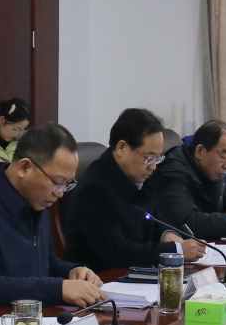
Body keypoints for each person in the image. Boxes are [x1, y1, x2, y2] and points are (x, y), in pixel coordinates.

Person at [0, 122, 104, 315]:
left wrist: (72, 272)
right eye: (58, 182)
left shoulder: (35, 199)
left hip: (32, 317)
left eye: (67, 184)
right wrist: (58, 289)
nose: (60, 193)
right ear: (24, 167)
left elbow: (44, 264)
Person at [65, 109, 202, 272]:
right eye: (148, 158)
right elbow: (118, 252)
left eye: (158, 158)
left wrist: (166, 234)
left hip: (139, 273)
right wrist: (175, 250)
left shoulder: (141, 176)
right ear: (122, 148)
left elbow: (156, 217)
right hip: (105, 277)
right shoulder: (94, 189)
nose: (153, 166)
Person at [148, 120, 226, 242]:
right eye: (223, 156)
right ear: (200, 151)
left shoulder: (208, 171)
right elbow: (190, 224)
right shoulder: (173, 172)